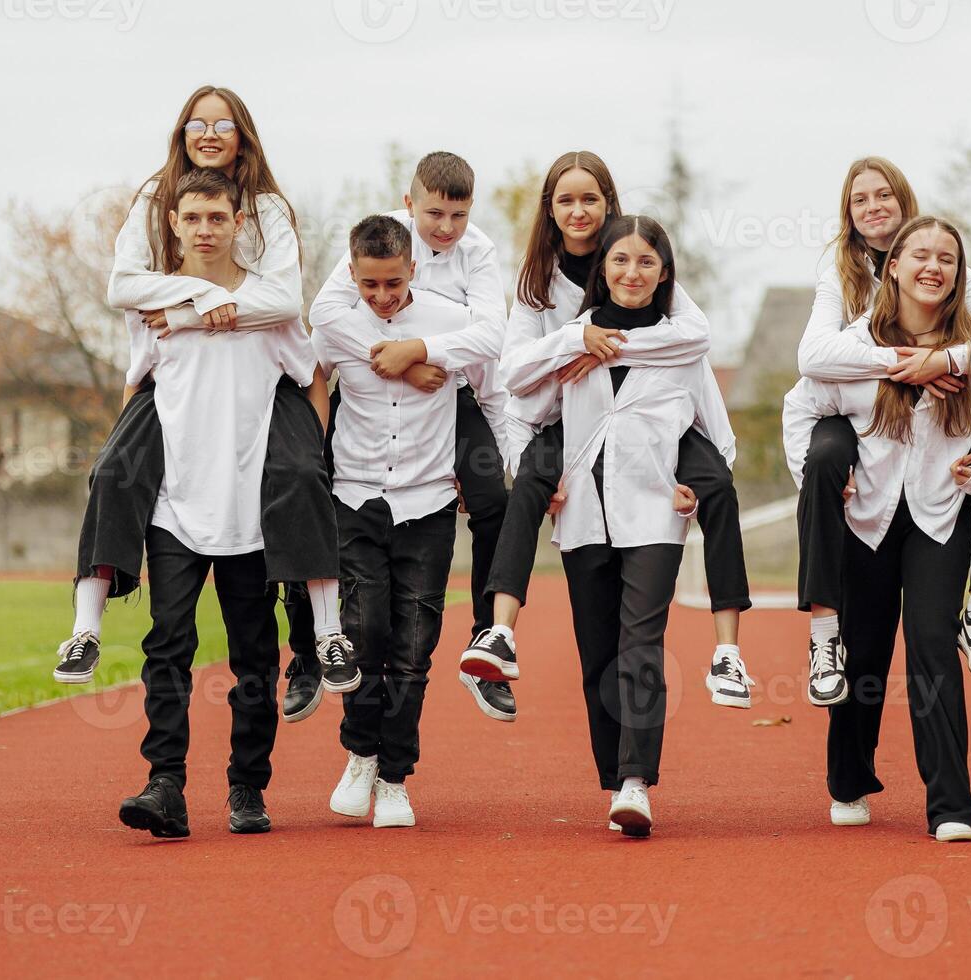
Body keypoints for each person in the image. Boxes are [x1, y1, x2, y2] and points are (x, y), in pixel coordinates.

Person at [58, 85, 351, 707]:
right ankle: (86, 628)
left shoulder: (268, 207)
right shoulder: (153, 196)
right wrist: (193, 298)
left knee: (300, 474)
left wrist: (198, 311)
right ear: (182, 133)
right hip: (174, 365)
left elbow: (280, 298)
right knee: (115, 469)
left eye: (224, 124)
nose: (210, 134)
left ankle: (322, 637)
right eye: (198, 123)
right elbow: (122, 286)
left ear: (242, 135)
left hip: (251, 364)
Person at [784, 216, 971, 841]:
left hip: (937, 515)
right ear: (892, 266)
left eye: (948, 259)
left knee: (932, 644)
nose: (934, 267)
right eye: (920, 255)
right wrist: (822, 480)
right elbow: (802, 410)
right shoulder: (853, 349)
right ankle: (849, 779)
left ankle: (952, 803)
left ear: (959, 276)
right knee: (867, 649)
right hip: (866, 516)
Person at [478, 151, 753, 721]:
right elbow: (514, 373)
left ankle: (728, 651)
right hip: (569, 417)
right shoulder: (535, 283)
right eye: (565, 200)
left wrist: (605, 346)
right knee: (528, 483)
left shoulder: (639, 256)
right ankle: (498, 631)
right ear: (549, 210)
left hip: (657, 417)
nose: (578, 211)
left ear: (608, 204)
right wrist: (577, 342)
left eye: (590, 199)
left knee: (719, 486)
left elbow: (692, 338)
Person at [503, 215, 732, 837]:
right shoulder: (575, 338)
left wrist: (695, 493)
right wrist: (574, 344)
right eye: (621, 261)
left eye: (647, 263)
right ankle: (614, 781)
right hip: (584, 513)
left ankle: (637, 782)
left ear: (665, 274)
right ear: (602, 268)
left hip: (655, 512)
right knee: (597, 654)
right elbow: (517, 392)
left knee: (641, 643)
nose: (633, 273)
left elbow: (718, 433)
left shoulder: (684, 344)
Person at [116, 169, 318, 838]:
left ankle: (246, 788)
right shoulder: (153, 315)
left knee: (254, 656)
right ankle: (164, 784)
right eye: (193, 217)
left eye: (217, 217)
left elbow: (311, 378)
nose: (205, 229)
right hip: (175, 506)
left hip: (251, 510)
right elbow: (134, 400)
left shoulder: (270, 307)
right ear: (173, 224)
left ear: (239, 223)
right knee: (167, 642)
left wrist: (310, 466)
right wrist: (124, 483)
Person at [795, 157, 971, 704]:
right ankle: (823, 637)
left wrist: (946, 360)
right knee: (825, 458)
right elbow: (812, 355)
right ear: (849, 213)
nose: (873, 207)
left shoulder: (944, 263)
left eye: (885, 196)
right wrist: (905, 360)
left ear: (904, 204)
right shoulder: (839, 272)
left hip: (932, 434)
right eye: (860, 199)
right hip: (853, 416)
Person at [289, 150, 511, 722]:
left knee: (494, 502)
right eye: (434, 213)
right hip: (370, 384)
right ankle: (310, 654)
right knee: (305, 487)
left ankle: (487, 639)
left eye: (458, 216)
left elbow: (490, 335)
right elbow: (331, 312)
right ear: (410, 206)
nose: (445, 228)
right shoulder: (382, 238)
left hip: (448, 392)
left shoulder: (478, 252)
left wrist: (422, 352)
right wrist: (397, 360)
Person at [318, 215, 502, 829]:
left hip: (427, 503)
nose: (382, 297)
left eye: (393, 283)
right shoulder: (336, 323)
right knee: (363, 633)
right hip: (356, 494)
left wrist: (426, 355)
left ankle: (395, 778)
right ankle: (361, 754)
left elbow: (491, 352)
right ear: (352, 276)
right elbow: (307, 368)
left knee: (413, 647)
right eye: (369, 285)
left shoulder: (451, 322)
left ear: (414, 271)